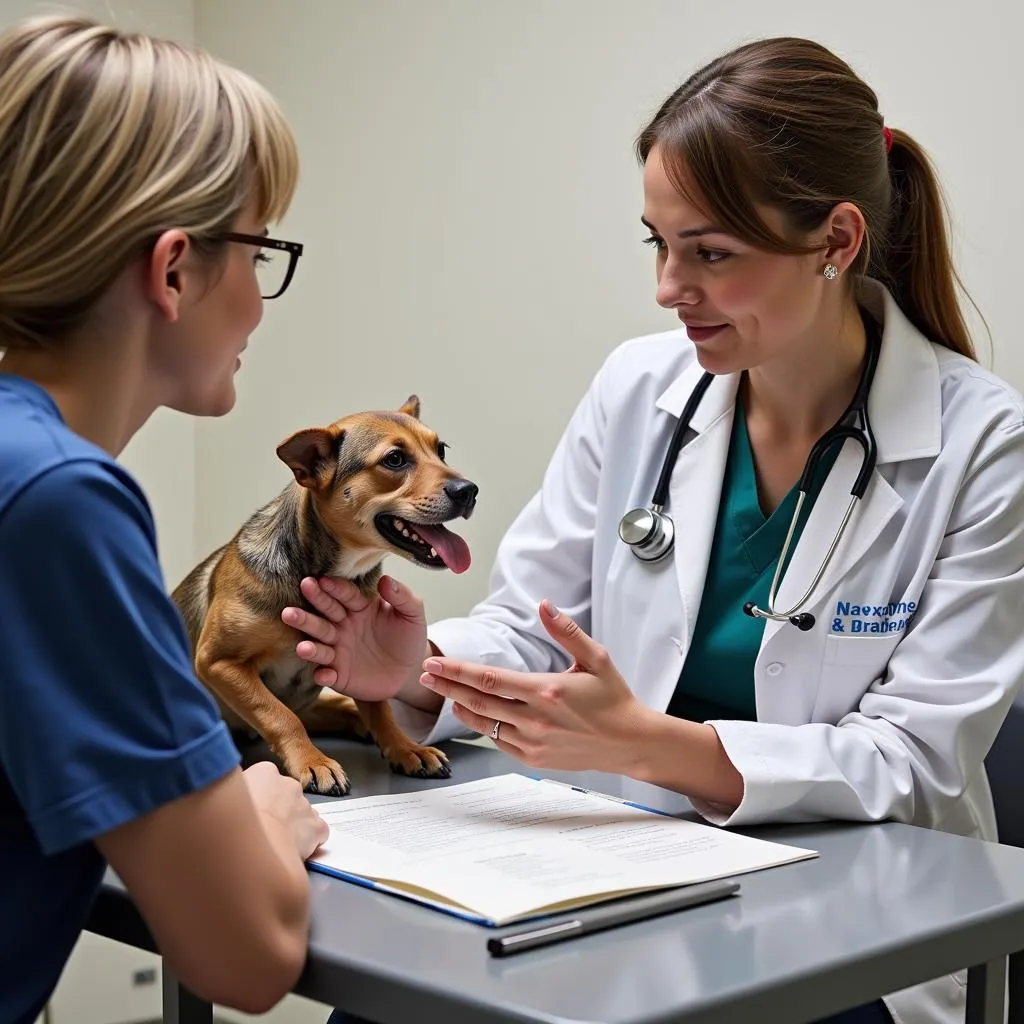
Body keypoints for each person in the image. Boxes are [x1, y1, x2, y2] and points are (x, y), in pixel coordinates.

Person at [288, 36, 1024, 1024]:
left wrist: (656, 747)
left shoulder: (982, 441)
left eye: (710, 253)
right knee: (389, 1003)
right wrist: (418, 664)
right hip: (624, 866)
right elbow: (533, 626)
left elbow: (912, 759)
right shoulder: (640, 388)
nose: (668, 286)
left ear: (836, 241)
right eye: (659, 243)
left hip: (853, 923)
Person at [0, 15, 330, 1024]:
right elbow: (246, 953)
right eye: (260, 251)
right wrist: (271, 812)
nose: (262, 304)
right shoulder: (55, 501)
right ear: (176, 268)